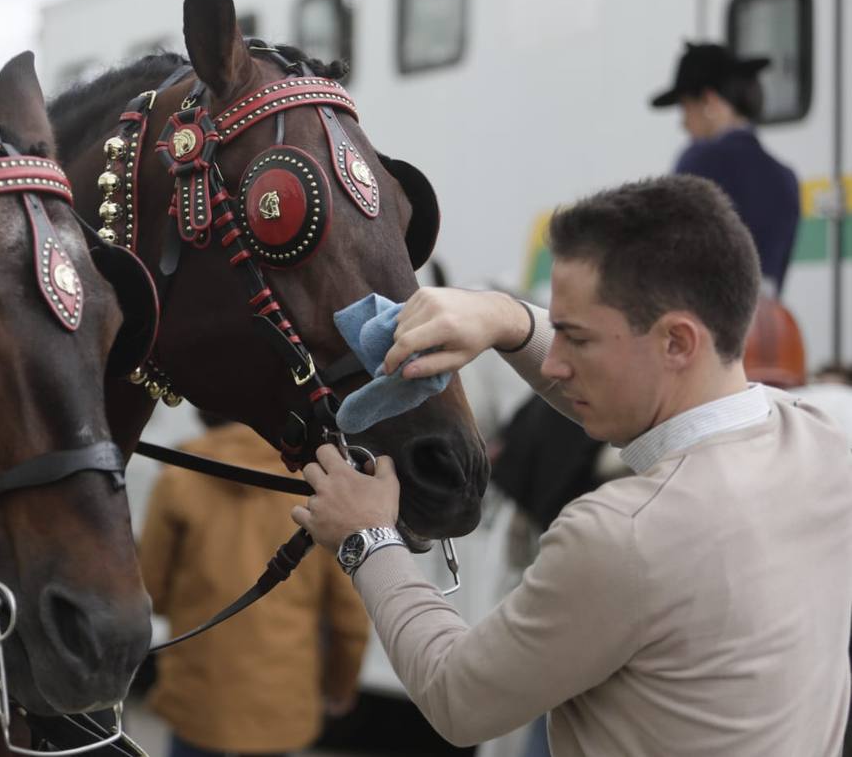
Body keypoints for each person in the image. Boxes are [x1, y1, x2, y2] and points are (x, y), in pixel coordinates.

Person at [291, 175, 852, 755]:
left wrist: (368, 540)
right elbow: (661, 416)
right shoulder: (824, 437)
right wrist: (508, 323)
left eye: (576, 338)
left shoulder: (624, 536)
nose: (554, 365)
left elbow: (457, 698)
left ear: (678, 344)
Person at [139, 413, 370, 757]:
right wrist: (340, 685)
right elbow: (348, 618)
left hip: (198, 697)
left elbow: (150, 592)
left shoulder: (178, 479)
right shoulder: (318, 495)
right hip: (278, 703)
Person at [651, 41, 801, 293]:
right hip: (768, 325)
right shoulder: (785, 177)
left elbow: (674, 259)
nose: (683, 123)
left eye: (686, 108)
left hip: (708, 322)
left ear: (709, 101)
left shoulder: (699, 160)